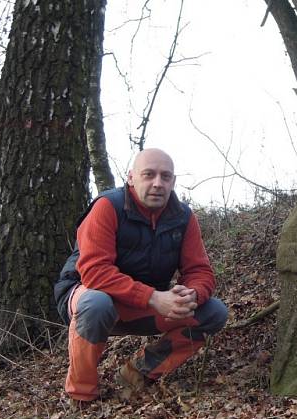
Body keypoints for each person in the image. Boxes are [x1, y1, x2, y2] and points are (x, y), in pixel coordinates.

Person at [53, 148, 228, 402]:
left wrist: (191, 294)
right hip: (87, 299)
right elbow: (93, 272)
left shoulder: (183, 218)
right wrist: (154, 298)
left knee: (213, 312)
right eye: (149, 175)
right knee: (96, 302)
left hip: (141, 306)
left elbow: (200, 271)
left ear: (173, 182)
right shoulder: (107, 207)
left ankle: (139, 372)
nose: (158, 183)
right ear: (131, 177)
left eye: (165, 177)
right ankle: (81, 394)